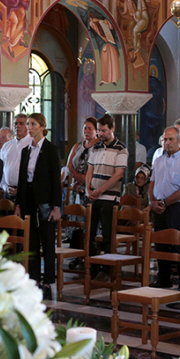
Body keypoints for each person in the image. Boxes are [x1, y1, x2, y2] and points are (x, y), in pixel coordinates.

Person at [14, 113, 62, 297]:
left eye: (33, 124)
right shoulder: (26, 150)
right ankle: (33, 279)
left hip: (46, 200)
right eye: (28, 124)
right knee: (31, 240)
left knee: (47, 241)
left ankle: (48, 281)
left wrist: (56, 206)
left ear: (42, 126)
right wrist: (18, 203)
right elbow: (22, 178)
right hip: (28, 199)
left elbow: (56, 180)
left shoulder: (50, 150)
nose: (30, 127)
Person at [149, 126, 180, 289]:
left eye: (171, 140)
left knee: (179, 245)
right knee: (160, 243)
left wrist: (165, 203)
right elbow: (152, 183)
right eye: (165, 140)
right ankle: (163, 278)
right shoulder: (158, 160)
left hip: (177, 208)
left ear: (179, 140)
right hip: (159, 207)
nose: (167, 143)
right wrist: (152, 202)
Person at [85, 114, 128, 278]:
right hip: (93, 196)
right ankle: (92, 266)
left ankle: (108, 267)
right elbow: (90, 169)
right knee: (90, 233)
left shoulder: (121, 149)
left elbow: (118, 175)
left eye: (104, 130)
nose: (101, 134)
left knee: (108, 234)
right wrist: (88, 188)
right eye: (99, 130)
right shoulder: (95, 147)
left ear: (112, 129)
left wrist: (100, 190)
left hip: (109, 198)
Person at [65, 117, 100, 208]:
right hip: (76, 187)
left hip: (91, 188)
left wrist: (83, 180)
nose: (86, 131)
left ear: (96, 131)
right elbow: (69, 166)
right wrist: (78, 177)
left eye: (90, 128)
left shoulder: (100, 147)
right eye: (85, 128)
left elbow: (98, 167)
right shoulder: (77, 146)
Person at [0, 113, 32, 200]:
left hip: (27, 192)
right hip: (8, 192)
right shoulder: (7, 146)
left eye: (21, 123)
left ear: (28, 126)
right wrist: (5, 187)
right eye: (15, 124)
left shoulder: (32, 144)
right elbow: (1, 170)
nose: (18, 126)